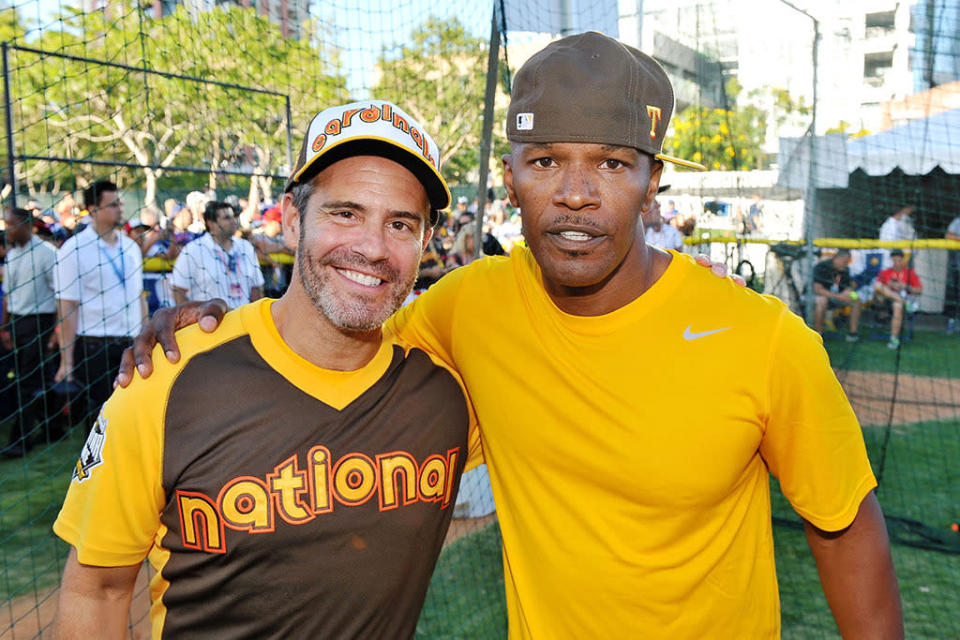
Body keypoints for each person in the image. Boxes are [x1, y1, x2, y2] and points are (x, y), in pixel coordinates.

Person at [122, 33, 902, 638]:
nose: (574, 194)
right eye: (546, 161)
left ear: (652, 181)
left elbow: (842, 524)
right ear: (510, 176)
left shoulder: (761, 338)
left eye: (611, 164)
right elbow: (333, 344)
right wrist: (212, 326)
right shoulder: (472, 306)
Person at [52, 100, 481, 638]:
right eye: (344, 213)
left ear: (425, 242)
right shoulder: (170, 376)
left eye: (400, 223)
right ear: (294, 220)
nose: (372, 247)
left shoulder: (448, 391)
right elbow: (100, 589)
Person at [53, 180, 146, 429]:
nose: (120, 209)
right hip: (95, 348)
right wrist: (67, 362)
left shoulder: (130, 248)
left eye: (120, 203)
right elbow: (67, 307)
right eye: (112, 204)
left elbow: (139, 297)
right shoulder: (73, 249)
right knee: (100, 424)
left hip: (131, 344)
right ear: (93, 209)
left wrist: (147, 337)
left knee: (134, 418)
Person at [0, 207, 58, 456]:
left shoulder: (47, 254)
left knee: (28, 380)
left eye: (10, 224)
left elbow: (59, 294)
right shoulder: (12, 255)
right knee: (35, 378)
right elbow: (8, 296)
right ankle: (54, 427)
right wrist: (6, 328)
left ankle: (21, 441)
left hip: (41, 322)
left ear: (26, 224)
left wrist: (57, 329)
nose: (7, 229)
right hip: (18, 323)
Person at [171, 201, 264, 309]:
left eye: (234, 216)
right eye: (227, 218)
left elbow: (256, 287)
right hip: (209, 322)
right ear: (211, 224)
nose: (233, 221)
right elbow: (178, 290)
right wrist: (192, 318)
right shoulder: (193, 250)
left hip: (242, 320)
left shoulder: (245, 247)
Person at [873, 249, 922, 349]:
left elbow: (919, 290)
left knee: (897, 305)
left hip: (899, 300)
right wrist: (888, 285)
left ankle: (893, 339)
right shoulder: (885, 272)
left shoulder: (910, 273)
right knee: (879, 285)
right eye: (894, 261)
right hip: (885, 301)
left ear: (903, 260)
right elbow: (877, 288)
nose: (897, 263)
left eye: (899, 261)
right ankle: (905, 302)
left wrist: (905, 286)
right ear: (891, 260)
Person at [813, 249, 863, 341]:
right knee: (822, 300)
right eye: (845, 262)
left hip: (836, 297)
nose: (846, 264)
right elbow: (818, 290)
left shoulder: (845, 270)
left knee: (857, 300)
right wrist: (839, 296)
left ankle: (853, 334)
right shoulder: (822, 267)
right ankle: (818, 335)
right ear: (836, 259)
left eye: (847, 262)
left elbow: (848, 287)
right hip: (816, 297)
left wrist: (849, 293)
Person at [946, 215, 960, 335]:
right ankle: (952, 321)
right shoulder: (957, 221)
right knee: (954, 294)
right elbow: (949, 236)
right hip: (957, 266)